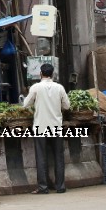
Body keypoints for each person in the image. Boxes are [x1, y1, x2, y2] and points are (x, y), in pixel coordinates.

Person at [24, 62, 70, 194]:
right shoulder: (59, 88)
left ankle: (43, 187)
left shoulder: (35, 87)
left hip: (40, 126)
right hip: (56, 126)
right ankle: (60, 186)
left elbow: (25, 104)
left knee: (41, 156)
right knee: (59, 157)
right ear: (52, 74)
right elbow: (67, 106)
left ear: (40, 74)